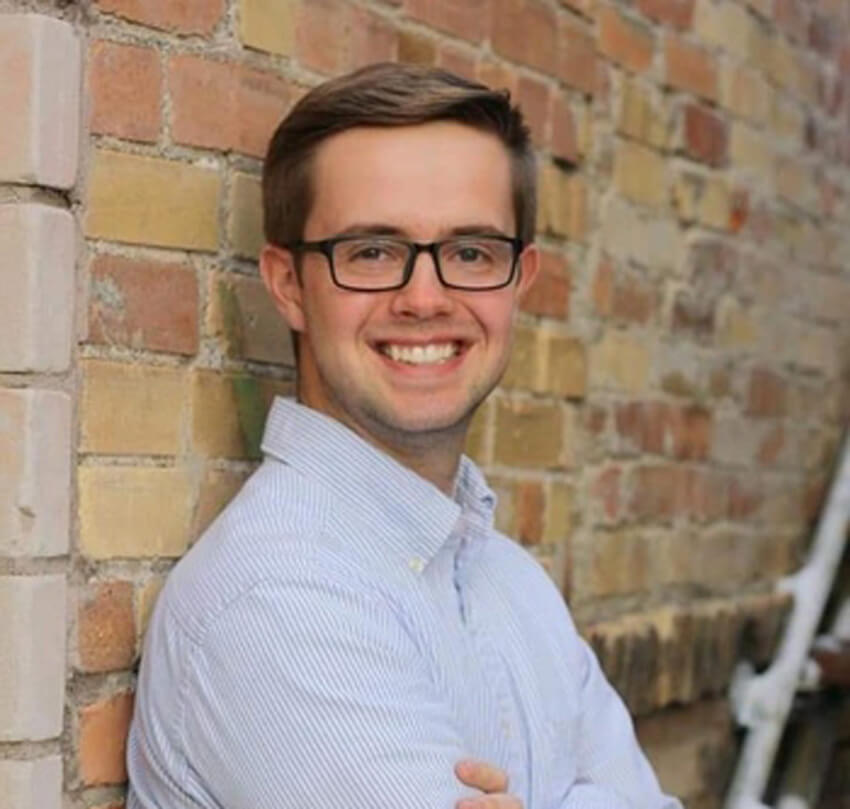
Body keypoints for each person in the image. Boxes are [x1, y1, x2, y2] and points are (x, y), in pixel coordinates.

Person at [127, 63, 680, 809]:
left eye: (471, 253)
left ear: (520, 278)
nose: (425, 298)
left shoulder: (513, 582)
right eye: (373, 252)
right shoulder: (277, 597)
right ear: (289, 284)